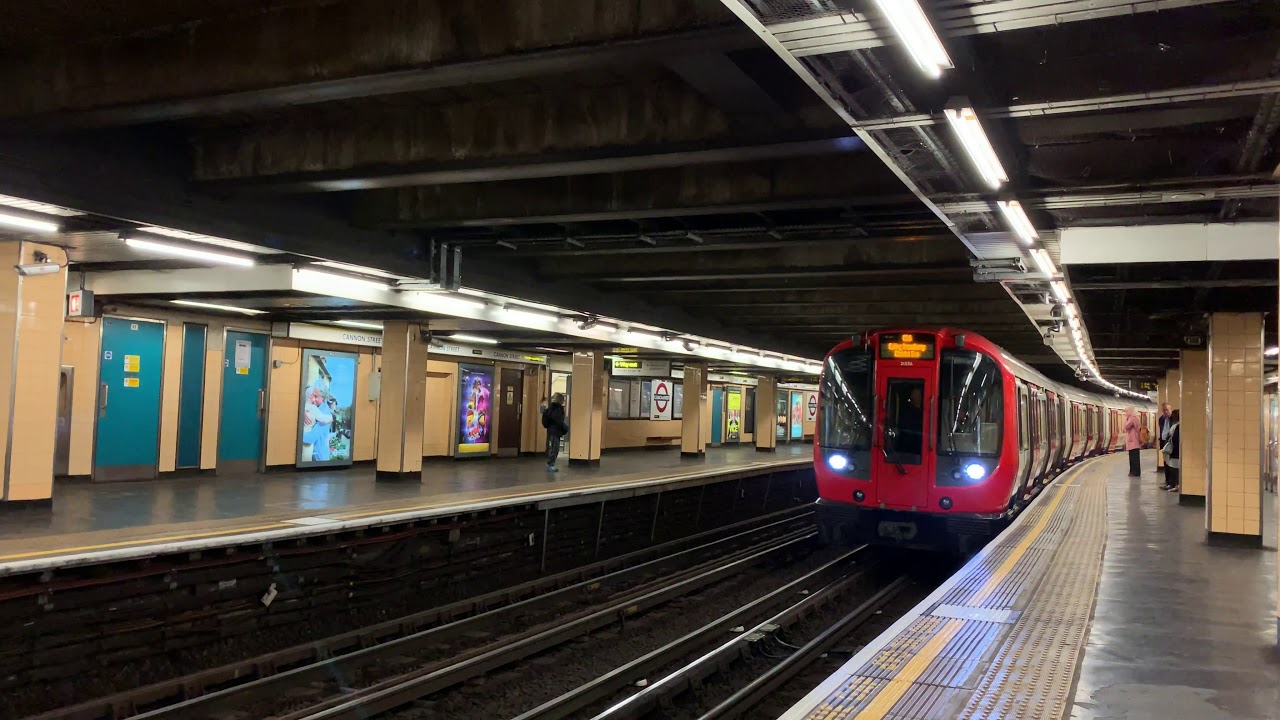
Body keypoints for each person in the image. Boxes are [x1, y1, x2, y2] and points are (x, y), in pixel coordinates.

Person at [302, 383, 333, 461]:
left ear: (323, 398)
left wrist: (295, 435)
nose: (313, 399)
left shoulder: (325, 412)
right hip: (313, 457)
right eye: (313, 395)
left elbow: (310, 438)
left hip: (320, 458)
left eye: (316, 396)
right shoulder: (314, 408)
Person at [541, 393, 569, 472]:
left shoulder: (551, 408)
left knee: (553, 448)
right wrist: (565, 428)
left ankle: (550, 464)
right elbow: (558, 421)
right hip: (555, 431)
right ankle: (550, 464)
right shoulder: (557, 409)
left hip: (552, 430)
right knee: (554, 448)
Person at [898, 387, 924, 456]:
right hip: (909, 447)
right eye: (913, 394)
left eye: (915, 394)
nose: (912, 396)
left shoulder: (924, 412)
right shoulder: (907, 411)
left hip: (920, 447)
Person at [1161, 410, 1181, 491]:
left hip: (1174, 451)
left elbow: (1175, 438)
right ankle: (1172, 484)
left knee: (1174, 468)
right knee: (1173, 467)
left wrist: (1169, 438)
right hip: (1175, 451)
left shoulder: (1177, 426)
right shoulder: (1177, 425)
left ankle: (1174, 484)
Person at [1123, 407, 1141, 477]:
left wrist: (1126, 420)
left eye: (1126, 412)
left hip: (1134, 441)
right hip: (1132, 441)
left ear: (1130, 411)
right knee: (1132, 457)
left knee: (1134, 458)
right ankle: (1133, 471)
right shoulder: (1132, 418)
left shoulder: (1132, 418)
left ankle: (1135, 472)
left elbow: (1126, 426)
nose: (1125, 413)